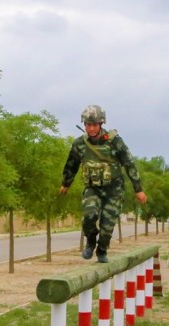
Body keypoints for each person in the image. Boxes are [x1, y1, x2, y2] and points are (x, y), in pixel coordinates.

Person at [60, 104, 147, 263]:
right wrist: (66, 184)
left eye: (94, 125)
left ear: (101, 124)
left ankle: (102, 250)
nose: (91, 128)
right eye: (88, 125)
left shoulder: (114, 141)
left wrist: (138, 189)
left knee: (107, 227)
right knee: (89, 216)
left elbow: (129, 164)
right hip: (92, 188)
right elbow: (71, 165)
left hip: (114, 189)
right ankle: (91, 240)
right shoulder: (79, 144)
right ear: (84, 124)